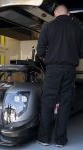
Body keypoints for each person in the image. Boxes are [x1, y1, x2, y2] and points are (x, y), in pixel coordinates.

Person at [37, 5, 83, 147]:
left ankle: (44, 139)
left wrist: (48, 58)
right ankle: (60, 140)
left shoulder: (48, 26)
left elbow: (40, 51)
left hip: (53, 69)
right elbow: (82, 53)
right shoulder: (78, 28)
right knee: (65, 104)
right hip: (69, 70)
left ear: (55, 13)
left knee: (47, 103)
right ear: (68, 14)